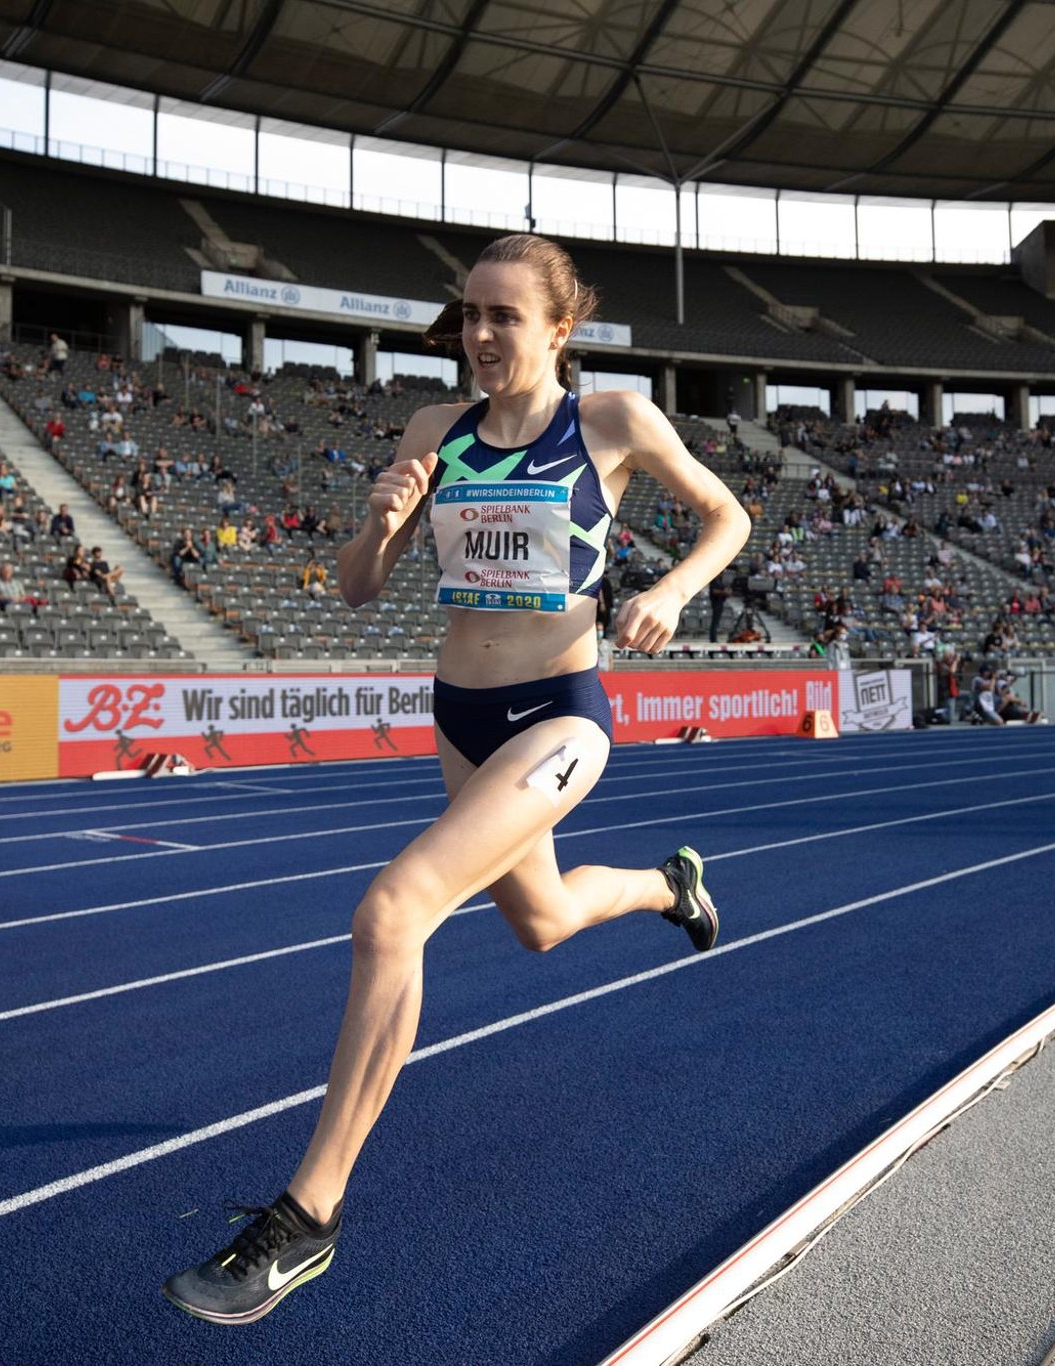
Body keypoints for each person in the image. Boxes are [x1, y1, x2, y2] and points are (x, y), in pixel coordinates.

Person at [162, 232, 750, 1325]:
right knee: (540, 921)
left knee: (393, 912)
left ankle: (308, 1214)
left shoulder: (612, 420)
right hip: (461, 716)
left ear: (558, 330)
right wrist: (379, 527)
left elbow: (730, 516)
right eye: (468, 314)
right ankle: (668, 887)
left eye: (503, 317)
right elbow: (353, 589)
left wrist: (670, 586)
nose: (478, 335)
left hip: (561, 718)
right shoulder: (434, 430)